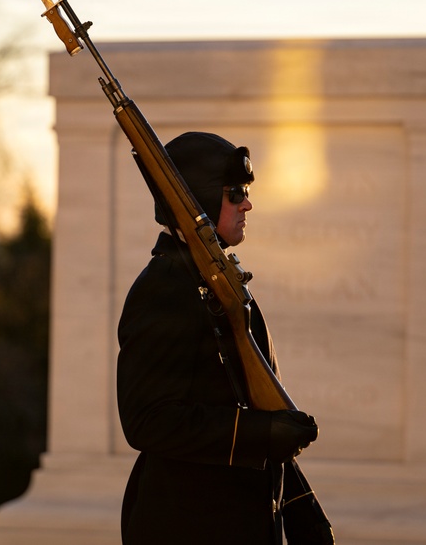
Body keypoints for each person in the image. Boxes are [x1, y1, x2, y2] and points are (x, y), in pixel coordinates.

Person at [116, 131, 334, 545]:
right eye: (235, 194)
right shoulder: (163, 289)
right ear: (198, 199)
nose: (247, 203)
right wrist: (261, 433)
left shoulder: (219, 286)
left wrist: (301, 508)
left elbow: (254, 401)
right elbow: (147, 420)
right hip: (185, 523)